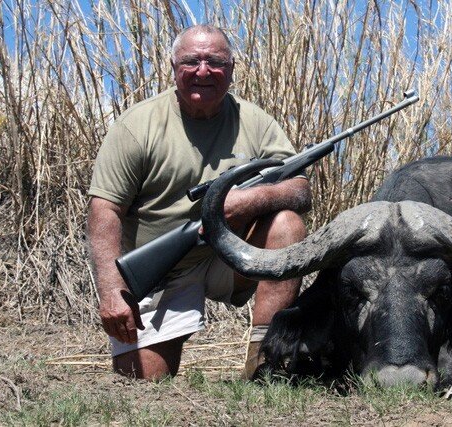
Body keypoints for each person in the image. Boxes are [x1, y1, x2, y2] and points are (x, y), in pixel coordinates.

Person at [86, 24, 311, 380]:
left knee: (287, 225)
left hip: (230, 258)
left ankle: (265, 364)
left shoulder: (254, 121)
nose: (203, 71)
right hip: (161, 276)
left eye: (215, 62)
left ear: (232, 69)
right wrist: (113, 291)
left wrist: (249, 201)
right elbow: (105, 209)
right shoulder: (136, 126)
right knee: (141, 386)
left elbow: (300, 189)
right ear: (173, 66)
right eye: (191, 61)